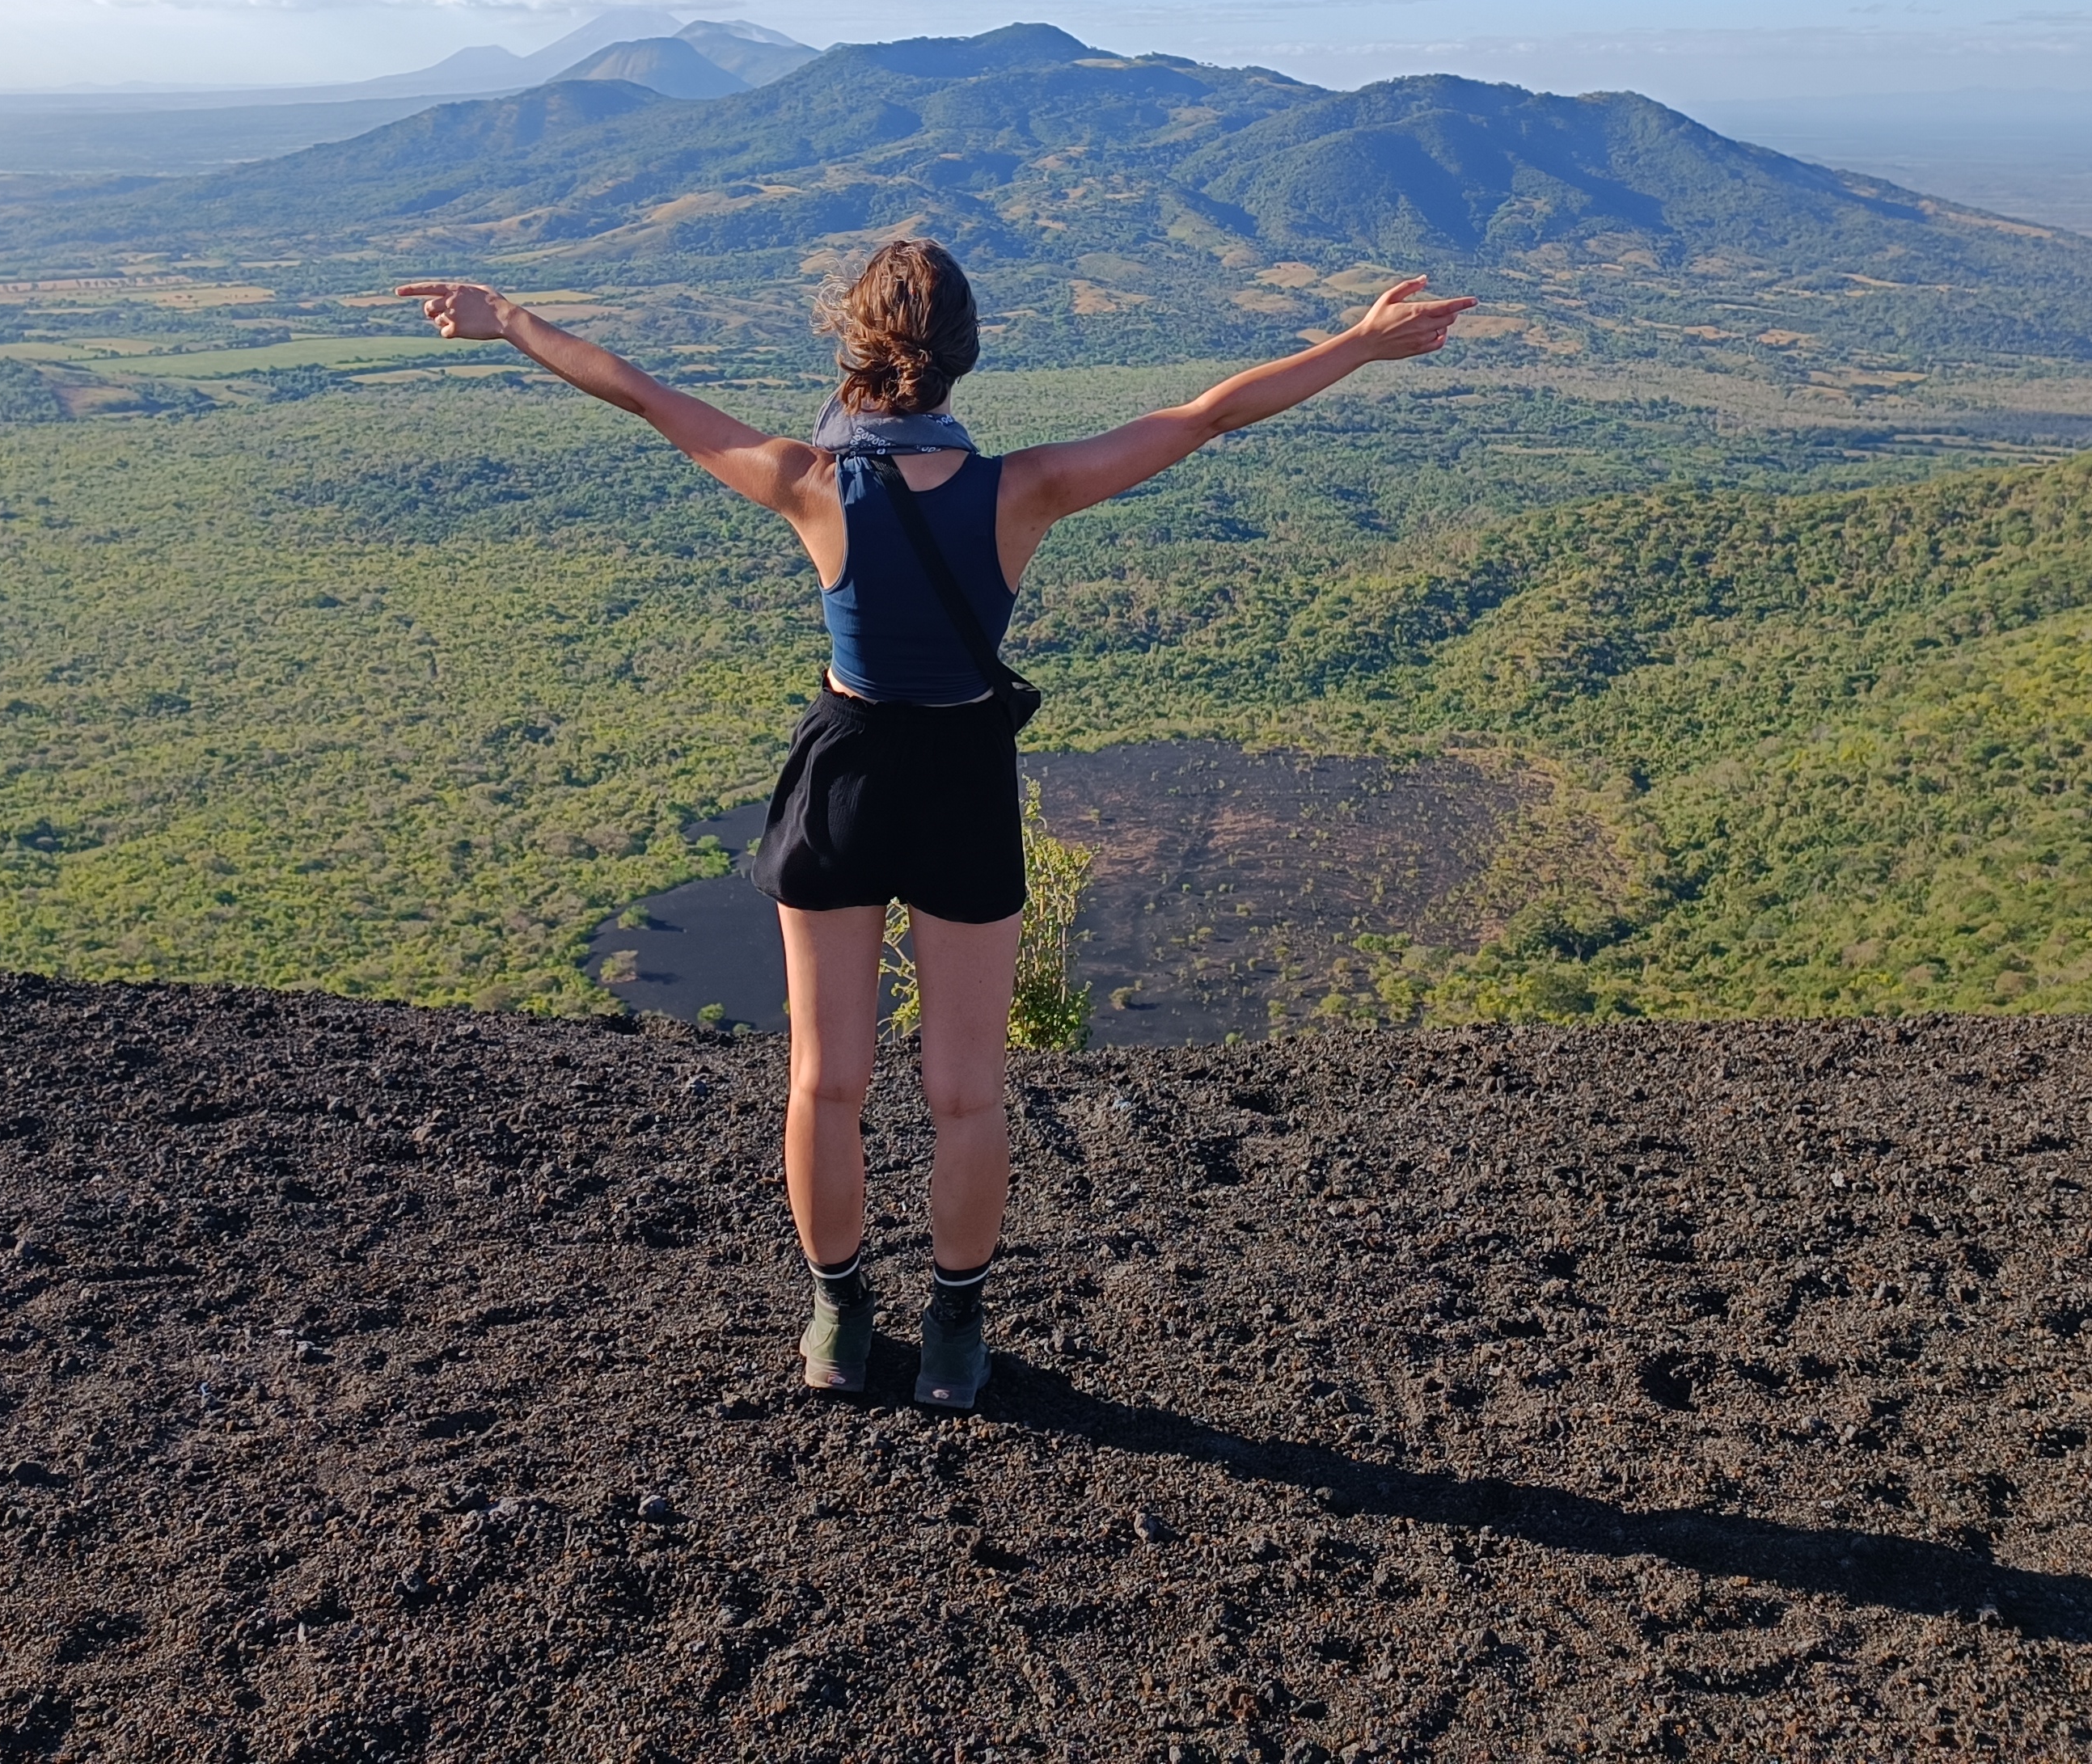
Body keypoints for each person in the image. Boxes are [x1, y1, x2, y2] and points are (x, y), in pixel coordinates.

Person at [401, 243, 1473, 1409]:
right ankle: (955, 1337)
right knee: (965, 1089)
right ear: (964, 357)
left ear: (853, 348)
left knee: (826, 1083)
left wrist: (508, 318)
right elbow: (1209, 416)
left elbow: (646, 394)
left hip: (845, 774)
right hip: (964, 776)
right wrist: (1360, 344)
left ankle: (836, 1317)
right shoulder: (1024, 490)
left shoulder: (809, 482)